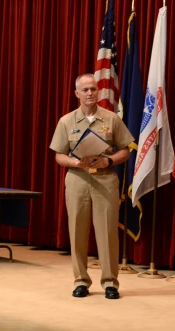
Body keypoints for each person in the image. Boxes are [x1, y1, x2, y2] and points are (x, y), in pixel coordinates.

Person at [49, 74, 134, 300]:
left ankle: (110, 283)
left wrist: (109, 161)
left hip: (105, 178)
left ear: (99, 92)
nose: (90, 93)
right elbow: (58, 155)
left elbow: (126, 149)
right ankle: (81, 281)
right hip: (78, 178)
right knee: (77, 231)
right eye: (85, 90)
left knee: (107, 232)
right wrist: (75, 162)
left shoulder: (111, 119)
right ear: (77, 94)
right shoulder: (66, 121)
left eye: (93, 89)